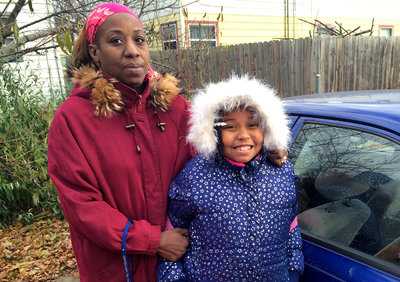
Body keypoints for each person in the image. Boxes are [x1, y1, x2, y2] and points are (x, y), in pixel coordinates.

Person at [47, 3, 288, 281]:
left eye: (139, 39)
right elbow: (83, 206)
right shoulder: (73, 119)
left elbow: (216, 159)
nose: (132, 50)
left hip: (177, 265)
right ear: (95, 52)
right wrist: (153, 240)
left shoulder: (175, 108)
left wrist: (265, 153)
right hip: (119, 267)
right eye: (116, 41)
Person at [157, 76, 304, 281]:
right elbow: (171, 242)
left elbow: (291, 229)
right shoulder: (194, 177)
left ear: (267, 127)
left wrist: (293, 272)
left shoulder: (281, 171)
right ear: (214, 131)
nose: (243, 135)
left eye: (253, 125)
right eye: (231, 127)